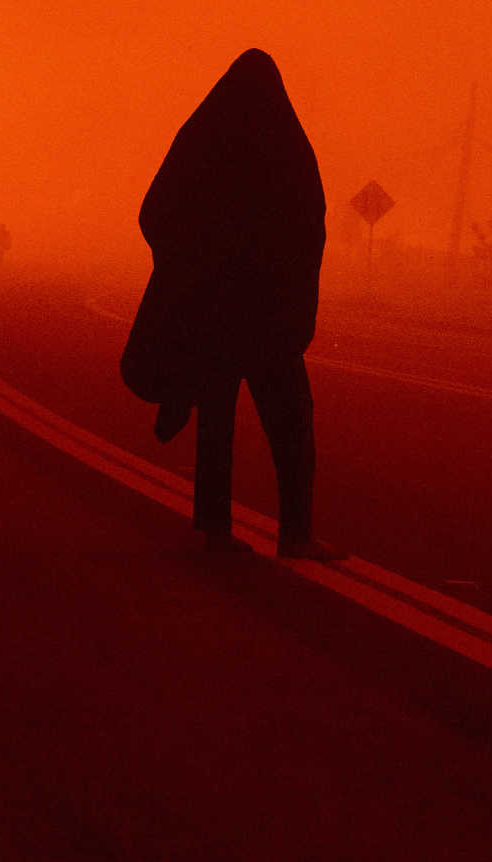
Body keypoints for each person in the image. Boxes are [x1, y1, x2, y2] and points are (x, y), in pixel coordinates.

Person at [120, 49, 337, 560]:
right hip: (268, 318)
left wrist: (189, 267)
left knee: (217, 418)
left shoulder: (200, 141)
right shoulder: (288, 147)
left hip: (213, 312)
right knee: (292, 423)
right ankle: (295, 533)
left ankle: (214, 527)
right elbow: (311, 230)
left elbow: (155, 212)